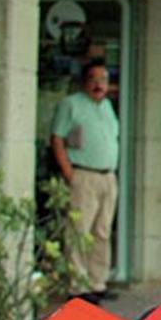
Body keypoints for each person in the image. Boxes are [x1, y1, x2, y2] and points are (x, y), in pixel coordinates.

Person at [50, 59, 120, 305]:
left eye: (103, 80)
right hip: (84, 175)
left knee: (102, 231)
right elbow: (57, 139)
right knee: (79, 231)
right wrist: (69, 173)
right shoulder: (71, 105)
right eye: (93, 79)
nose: (99, 84)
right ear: (84, 81)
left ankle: (97, 283)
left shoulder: (107, 107)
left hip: (107, 177)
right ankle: (78, 286)